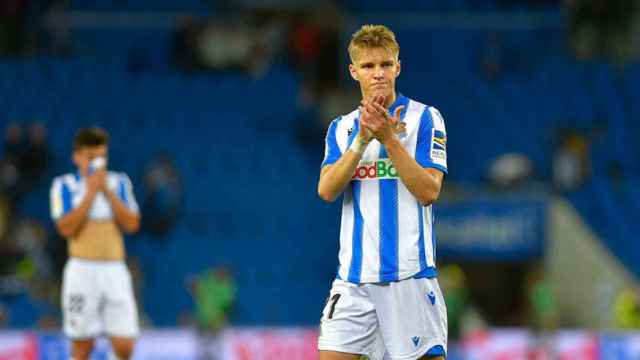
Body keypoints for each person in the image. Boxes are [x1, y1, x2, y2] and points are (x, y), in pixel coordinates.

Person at [317, 25, 448, 360]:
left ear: (398, 67)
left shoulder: (425, 119)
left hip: (407, 279)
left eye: (386, 65)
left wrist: (389, 139)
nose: (378, 74)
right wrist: (362, 140)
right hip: (353, 282)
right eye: (369, 66)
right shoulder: (342, 128)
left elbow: (429, 191)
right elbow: (327, 190)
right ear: (354, 71)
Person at [49, 127, 141, 360]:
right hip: (82, 271)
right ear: (76, 157)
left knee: (125, 346)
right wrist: (90, 194)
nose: (97, 163)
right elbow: (66, 228)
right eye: (91, 157)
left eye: (102, 157)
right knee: (82, 347)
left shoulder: (119, 182)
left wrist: (107, 192)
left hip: (115, 271)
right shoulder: (64, 186)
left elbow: (132, 224)